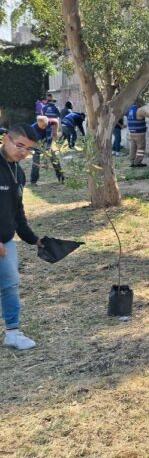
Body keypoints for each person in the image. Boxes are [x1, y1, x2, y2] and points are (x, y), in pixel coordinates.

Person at [1, 123, 48, 350]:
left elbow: (18, 211)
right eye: (19, 145)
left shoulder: (18, 172)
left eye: (28, 149)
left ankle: (12, 332)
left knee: (10, 285)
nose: (23, 152)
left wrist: (34, 239)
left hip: (6, 242)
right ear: (6, 139)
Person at [126, 101, 149, 167]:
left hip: (132, 133)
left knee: (133, 148)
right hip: (139, 133)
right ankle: (138, 162)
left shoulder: (129, 110)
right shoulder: (139, 110)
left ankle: (132, 162)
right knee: (141, 148)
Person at [29, 116, 64, 185]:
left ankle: (61, 179)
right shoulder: (32, 129)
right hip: (36, 145)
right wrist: (44, 151)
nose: (45, 127)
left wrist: (55, 132)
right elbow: (32, 143)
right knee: (36, 162)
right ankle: (33, 181)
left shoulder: (49, 122)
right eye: (43, 126)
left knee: (55, 160)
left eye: (46, 125)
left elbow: (56, 121)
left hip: (47, 143)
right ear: (38, 123)